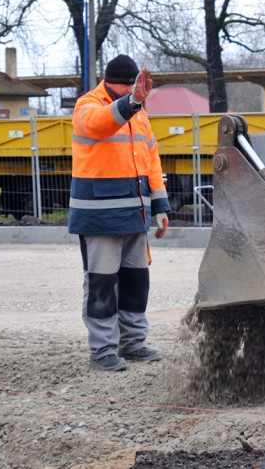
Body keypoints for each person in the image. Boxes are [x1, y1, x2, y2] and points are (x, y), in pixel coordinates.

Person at [69, 54, 171, 371]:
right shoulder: (88, 105)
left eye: (135, 85)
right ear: (110, 81)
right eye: (127, 84)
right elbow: (100, 125)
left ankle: (133, 344)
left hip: (134, 214)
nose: (131, 89)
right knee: (101, 285)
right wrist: (132, 102)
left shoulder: (138, 113)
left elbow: (151, 159)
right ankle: (102, 351)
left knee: (135, 284)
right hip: (100, 216)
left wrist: (160, 205)